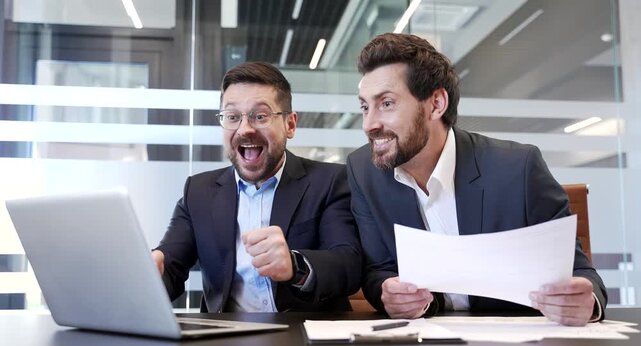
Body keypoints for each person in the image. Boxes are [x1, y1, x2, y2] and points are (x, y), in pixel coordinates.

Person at [346, 33, 607, 326]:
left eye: (387, 104)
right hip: (425, 342)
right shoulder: (364, 171)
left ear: (436, 104)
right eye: (365, 107)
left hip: (517, 341)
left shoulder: (517, 168)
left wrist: (587, 303)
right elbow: (376, 270)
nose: (369, 125)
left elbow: (581, 273)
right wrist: (389, 293)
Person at [152, 61, 361, 312]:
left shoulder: (329, 181)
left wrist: (295, 266)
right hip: (226, 341)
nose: (245, 129)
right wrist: (152, 271)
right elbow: (171, 267)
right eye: (232, 117)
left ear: (290, 125)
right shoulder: (198, 191)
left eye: (260, 116)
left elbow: (348, 263)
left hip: (304, 340)